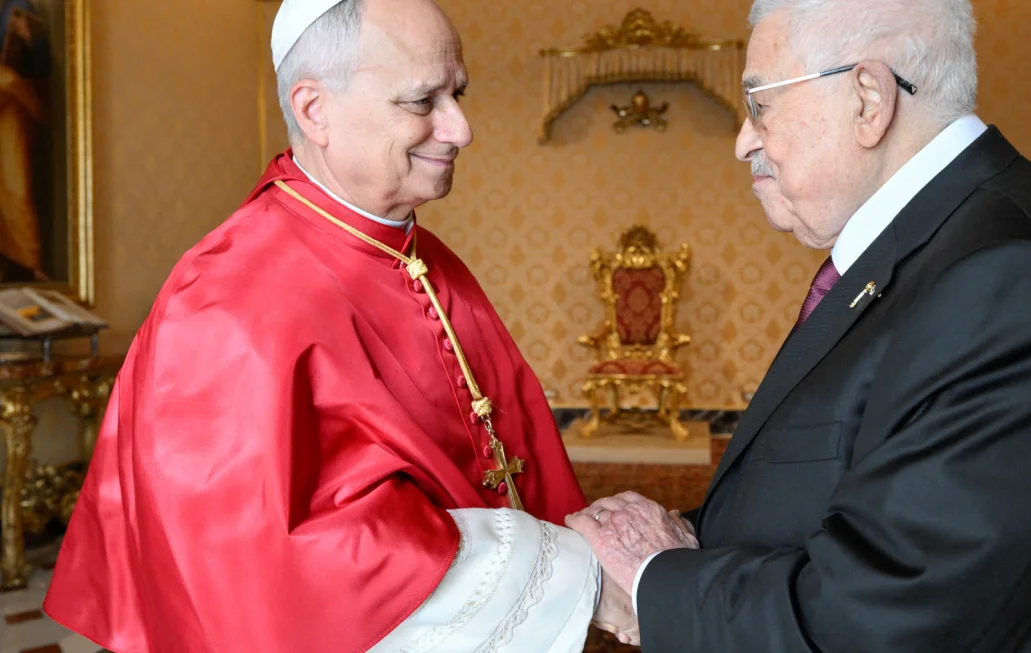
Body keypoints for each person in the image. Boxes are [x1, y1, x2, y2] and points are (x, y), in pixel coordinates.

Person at [567, 0, 1031, 651]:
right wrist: (683, 540)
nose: (743, 141)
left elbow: (889, 620)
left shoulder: (1015, 277)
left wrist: (653, 579)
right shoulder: (942, 247)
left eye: (760, 104)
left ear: (867, 98)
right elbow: (856, 501)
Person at [44, 1, 638, 651]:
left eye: (457, 93)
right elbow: (279, 572)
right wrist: (570, 567)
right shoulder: (223, 299)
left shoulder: (421, 256)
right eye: (422, 101)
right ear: (313, 110)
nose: (460, 128)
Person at [0, 0, 52, 281]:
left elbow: (40, 63)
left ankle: (29, 264)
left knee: (14, 186)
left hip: (11, 102)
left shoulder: (18, 6)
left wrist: (28, 37)